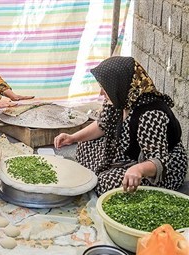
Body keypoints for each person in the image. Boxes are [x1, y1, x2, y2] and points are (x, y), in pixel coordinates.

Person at [54, 56, 187, 196]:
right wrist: (72, 138)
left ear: (119, 84)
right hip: (132, 153)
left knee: (105, 183)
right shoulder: (120, 98)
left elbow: (158, 161)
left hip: (162, 168)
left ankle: (116, 173)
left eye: (104, 88)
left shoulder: (150, 114)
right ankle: (114, 169)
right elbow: (102, 125)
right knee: (84, 146)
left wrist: (138, 170)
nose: (101, 93)